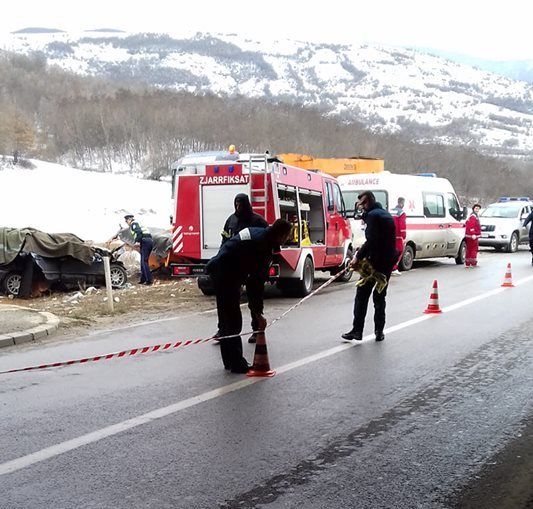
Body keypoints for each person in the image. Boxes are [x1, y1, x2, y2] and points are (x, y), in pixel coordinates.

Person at [205, 219, 293, 373]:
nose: (286, 240)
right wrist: (258, 313)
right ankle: (237, 363)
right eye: (286, 237)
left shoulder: (258, 233)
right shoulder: (262, 245)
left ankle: (229, 361)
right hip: (225, 274)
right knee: (233, 321)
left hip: (220, 270)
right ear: (281, 235)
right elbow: (255, 284)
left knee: (226, 320)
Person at [342, 191, 397, 343]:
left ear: (368, 202)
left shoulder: (373, 216)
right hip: (387, 263)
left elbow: (372, 241)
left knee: (362, 295)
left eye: (362, 204)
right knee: (380, 296)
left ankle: (357, 330)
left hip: (374, 264)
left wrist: (357, 257)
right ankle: (379, 331)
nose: (361, 208)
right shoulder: (385, 214)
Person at [213, 194, 269, 343]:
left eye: (241, 204)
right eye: (236, 204)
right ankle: (223, 330)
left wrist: (263, 265)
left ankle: (257, 330)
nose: (238, 207)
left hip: (253, 267)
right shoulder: (231, 220)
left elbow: (268, 244)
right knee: (228, 301)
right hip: (234, 267)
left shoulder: (258, 221)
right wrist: (220, 258)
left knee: (255, 301)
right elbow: (225, 240)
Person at [124, 214, 153, 285]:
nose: (126, 223)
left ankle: (149, 280)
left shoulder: (134, 224)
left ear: (129, 219)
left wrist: (137, 242)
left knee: (144, 261)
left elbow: (139, 232)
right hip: (148, 241)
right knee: (143, 261)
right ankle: (143, 279)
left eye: (126, 221)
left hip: (145, 241)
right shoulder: (138, 223)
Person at [391, 197, 407, 275]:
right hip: (398, 236)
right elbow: (402, 225)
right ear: (402, 203)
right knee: (399, 251)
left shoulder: (390, 211)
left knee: (390, 251)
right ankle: (394, 268)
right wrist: (403, 235)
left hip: (389, 235)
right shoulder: (402, 213)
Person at [464, 203, 482, 268]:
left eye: (478, 209)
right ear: (473, 209)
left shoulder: (473, 216)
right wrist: (473, 234)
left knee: (469, 249)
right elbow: (471, 226)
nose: (477, 210)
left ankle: (468, 263)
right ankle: (472, 263)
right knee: (473, 249)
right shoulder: (473, 216)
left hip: (470, 235)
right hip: (472, 236)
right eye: (476, 208)